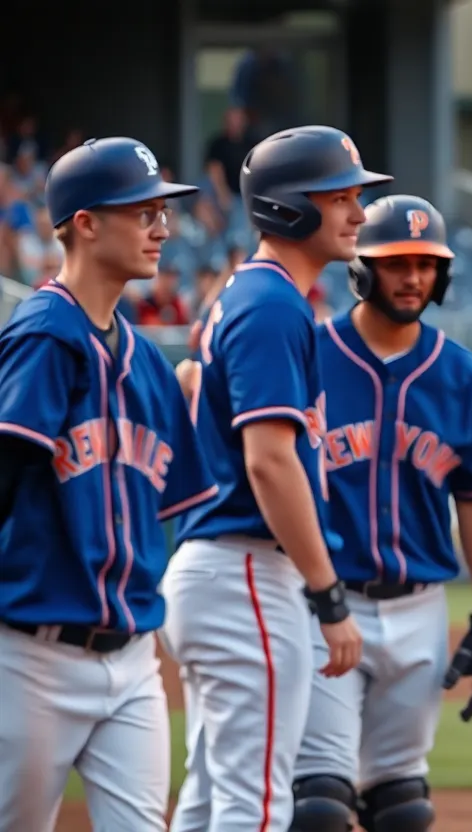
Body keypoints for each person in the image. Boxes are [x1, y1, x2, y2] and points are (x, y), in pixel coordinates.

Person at [159, 125, 392, 832]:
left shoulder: (253, 295)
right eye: (342, 196)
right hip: (248, 574)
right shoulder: (272, 305)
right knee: (255, 808)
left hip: (221, 574)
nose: (358, 213)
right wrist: (328, 596)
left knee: (209, 800)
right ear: (290, 207)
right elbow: (269, 461)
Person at [0, 137, 215, 830]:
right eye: (142, 211)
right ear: (85, 223)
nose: (162, 228)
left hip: (132, 660)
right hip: (31, 657)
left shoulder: (150, 366)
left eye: (163, 212)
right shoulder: (44, 336)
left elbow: (174, 511)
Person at [289, 196, 472, 831]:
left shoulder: (462, 374)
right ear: (362, 269)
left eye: (426, 263)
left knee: (402, 807)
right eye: (396, 263)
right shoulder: (310, 354)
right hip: (324, 605)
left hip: (420, 610)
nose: (413, 277)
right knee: (319, 806)